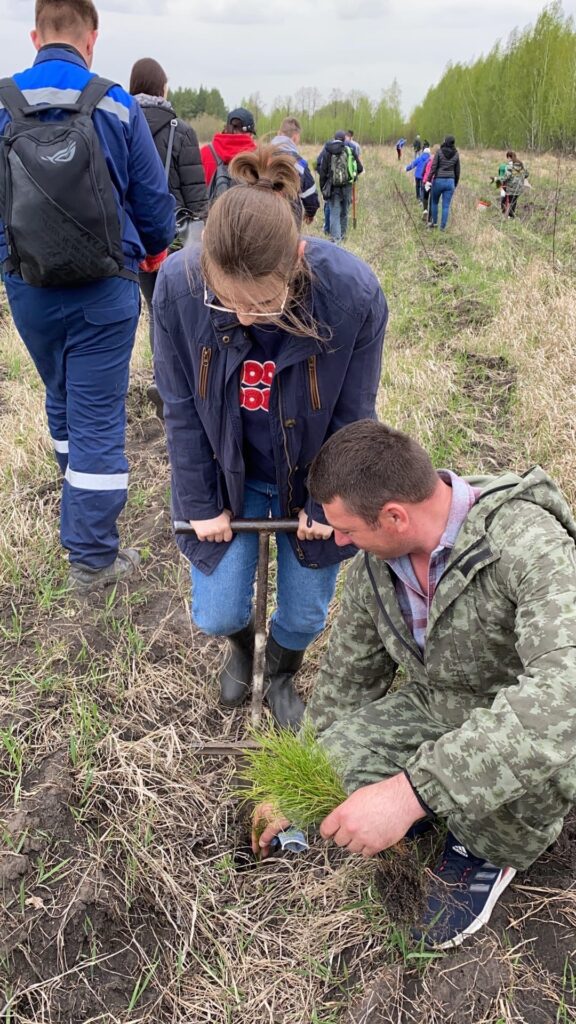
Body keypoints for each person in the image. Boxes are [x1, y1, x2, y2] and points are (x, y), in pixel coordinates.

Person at [255, 419, 576, 950]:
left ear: (394, 516)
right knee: (338, 757)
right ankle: (431, 806)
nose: (337, 540)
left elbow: (562, 698)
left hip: (524, 731)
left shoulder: (526, 545)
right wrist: (299, 783)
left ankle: (481, 852)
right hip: (435, 707)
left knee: (503, 804)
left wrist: (410, 793)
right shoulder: (375, 569)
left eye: (347, 529)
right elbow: (348, 680)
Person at [153, 145, 387, 729]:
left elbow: (353, 417)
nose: (246, 318)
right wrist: (203, 504)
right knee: (216, 610)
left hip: (312, 471)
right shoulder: (179, 290)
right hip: (227, 472)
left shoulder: (353, 296)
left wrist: (324, 502)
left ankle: (281, 669)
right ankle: (240, 647)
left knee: (307, 614)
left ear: (298, 260)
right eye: (226, 301)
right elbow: (180, 410)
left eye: (261, 303)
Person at [0, 0, 175, 591]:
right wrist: (153, 254)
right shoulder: (116, 104)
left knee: (61, 395)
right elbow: (153, 204)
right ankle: (93, 558)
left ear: (34, 35)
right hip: (107, 287)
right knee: (98, 414)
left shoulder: (1, 103)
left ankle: (74, 501)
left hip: (29, 287)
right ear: (91, 38)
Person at [129, 56, 208, 417]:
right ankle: (181, 383)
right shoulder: (182, 130)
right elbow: (196, 199)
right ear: (162, 88)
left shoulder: (117, 124)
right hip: (175, 242)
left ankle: (161, 380)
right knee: (182, 311)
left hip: (134, 240)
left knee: (152, 310)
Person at [317, 130, 363, 243]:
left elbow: (322, 172)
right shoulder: (350, 150)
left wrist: (323, 188)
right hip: (347, 187)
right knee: (344, 212)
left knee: (334, 213)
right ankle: (342, 236)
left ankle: (336, 239)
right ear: (344, 139)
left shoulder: (327, 151)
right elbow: (360, 168)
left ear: (334, 138)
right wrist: (353, 176)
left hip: (333, 188)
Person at [271, 117, 319, 224]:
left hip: (262, 216)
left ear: (279, 133)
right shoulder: (299, 163)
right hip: (289, 220)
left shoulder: (262, 157)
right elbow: (309, 194)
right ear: (295, 137)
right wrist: (310, 213)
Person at [200, 107, 257, 191]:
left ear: (226, 128)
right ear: (249, 133)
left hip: (213, 204)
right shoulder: (258, 157)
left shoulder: (204, 153)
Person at [428, 134, 460, 231]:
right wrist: (455, 183)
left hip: (438, 180)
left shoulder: (439, 152)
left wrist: (429, 179)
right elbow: (457, 170)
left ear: (445, 141)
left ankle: (434, 223)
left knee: (434, 202)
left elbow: (434, 167)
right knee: (446, 205)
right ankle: (442, 227)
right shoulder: (456, 154)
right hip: (450, 181)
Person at [500, 151, 529, 219]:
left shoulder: (510, 166)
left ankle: (507, 216)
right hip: (519, 187)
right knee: (514, 201)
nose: (507, 159)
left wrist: (501, 180)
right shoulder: (521, 165)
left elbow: (507, 176)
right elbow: (527, 174)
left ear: (510, 157)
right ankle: (511, 215)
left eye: (508, 158)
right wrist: (519, 178)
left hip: (511, 187)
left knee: (505, 201)